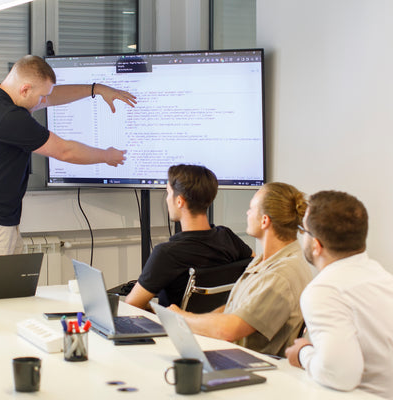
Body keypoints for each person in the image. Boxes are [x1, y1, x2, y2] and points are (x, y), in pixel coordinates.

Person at [0, 55, 137, 259]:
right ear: (25, 89)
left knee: (12, 280)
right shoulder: (7, 116)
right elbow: (65, 151)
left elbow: (52, 96)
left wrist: (96, 89)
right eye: (41, 96)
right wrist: (107, 155)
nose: (44, 101)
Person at [168, 182, 314, 356]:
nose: (247, 213)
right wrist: (197, 322)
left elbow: (229, 330)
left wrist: (181, 318)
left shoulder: (280, 275)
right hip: (235, 354)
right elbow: (234, 309)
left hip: (251, 362)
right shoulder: (265, 259)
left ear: (264, 220)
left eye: (251, 208)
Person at [285, 191, 393, 398]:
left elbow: (340, 376)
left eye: (303, 231)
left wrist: (303, 353)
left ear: (316, 245)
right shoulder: (382, 276)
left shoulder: (323, 291)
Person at [124, 164, 253, 311]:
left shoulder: (166, 254)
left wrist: (162, 311)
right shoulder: (228, 237)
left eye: (168, 193)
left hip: (177, 325)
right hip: (219, 322)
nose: (167, 199)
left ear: (179, 201)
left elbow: (132, 304)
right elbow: (257, 266)